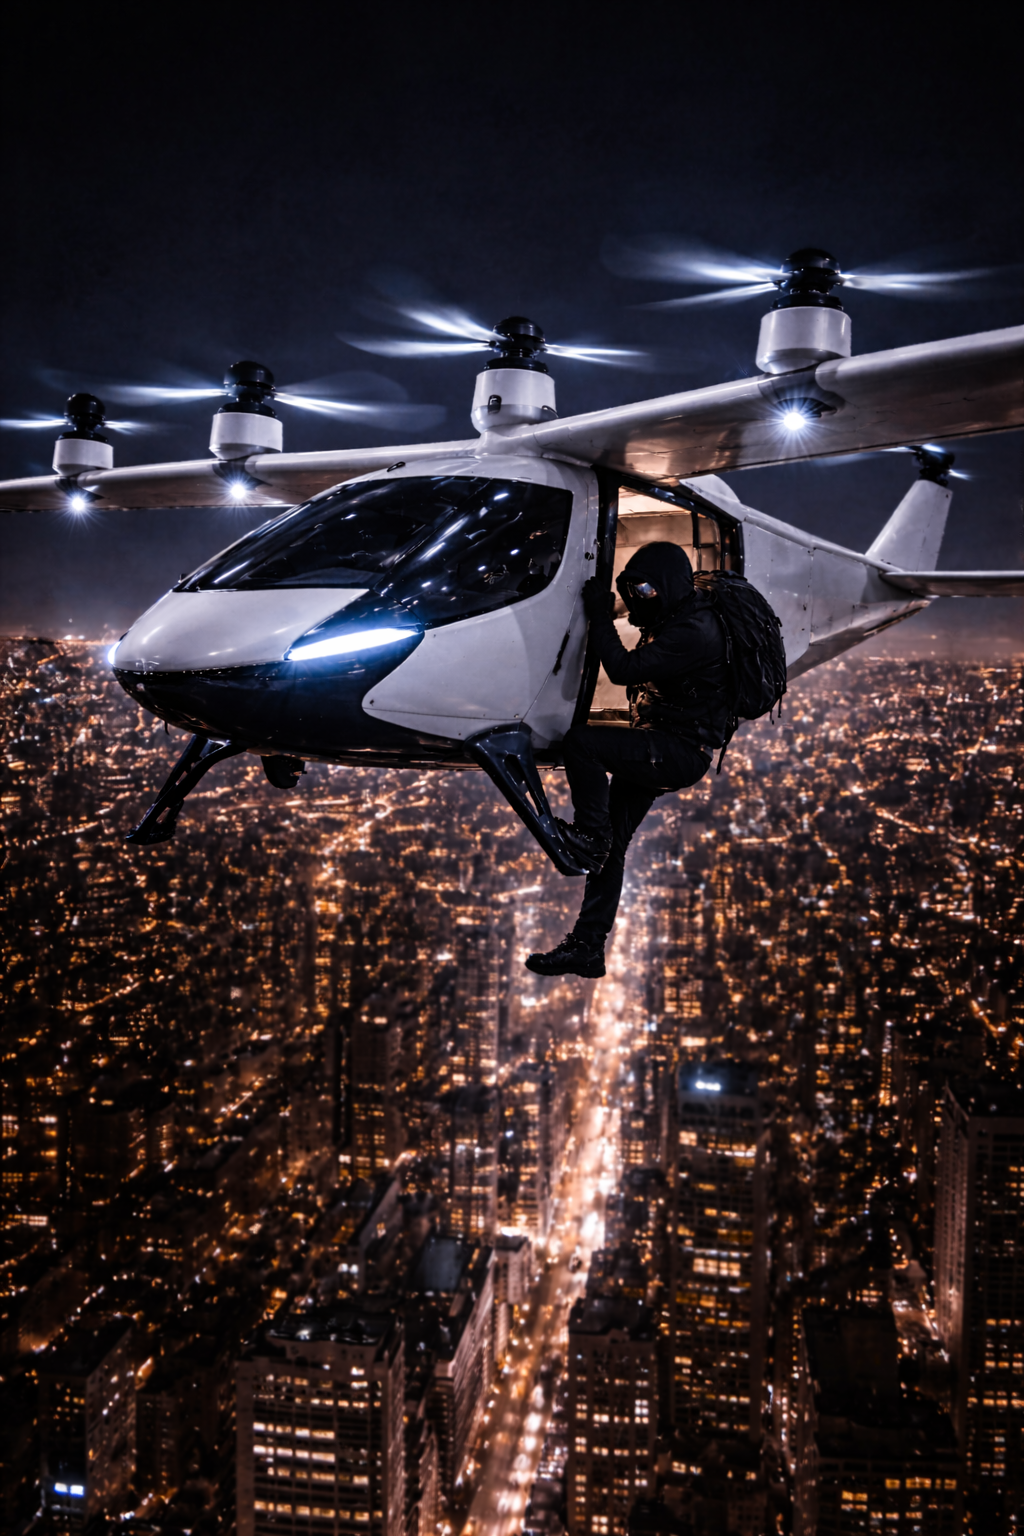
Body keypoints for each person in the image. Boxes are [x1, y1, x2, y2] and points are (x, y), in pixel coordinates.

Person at [526, 541, 729, 979]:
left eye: (647, 589)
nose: (641, 597)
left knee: (583, 743)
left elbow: (622, 669)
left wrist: (600, 613)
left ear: (670, 585)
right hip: (666, 745)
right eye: (635, 589)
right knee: (614, 848)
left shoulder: (693, 630)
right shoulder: (677, 617)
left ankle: (591, 836)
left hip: (676, 752)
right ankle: (588, 947)